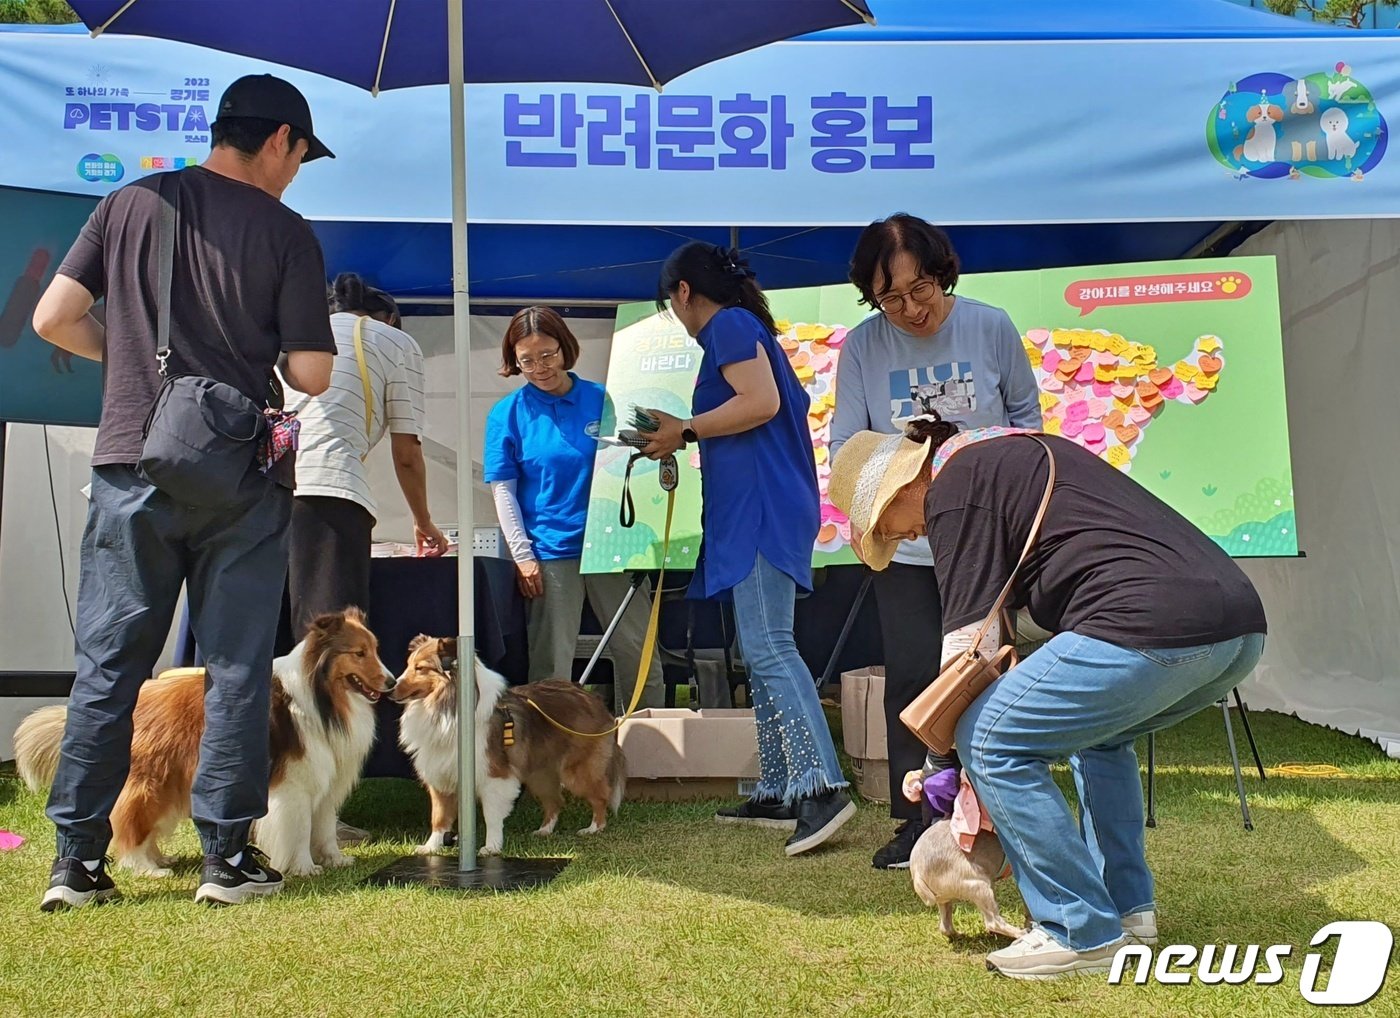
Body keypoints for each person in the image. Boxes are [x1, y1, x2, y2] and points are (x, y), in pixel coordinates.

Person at [30, 74, 338, 909]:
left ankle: (77, 866)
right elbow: (310, 371)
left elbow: (53, 318)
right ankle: (225, 862)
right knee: (236, 665)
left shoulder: (130, 204)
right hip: (238, 471)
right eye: (302, 154)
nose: (297, 170)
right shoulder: (287, 232)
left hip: (133, 457)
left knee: (110, 664)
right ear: (280, 140)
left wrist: (134, 368)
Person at [828, 416, 1267, 979]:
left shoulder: (954, 489)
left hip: (1145, 622)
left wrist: (942, 759)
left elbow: (971, 646)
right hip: (1237, 628)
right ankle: (1126, 913)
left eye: (889, 526)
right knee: (1100, 739)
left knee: (988, 737)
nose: (906, 537)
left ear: (903, 485)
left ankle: (1076, 930)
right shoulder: (1010, 455)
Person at [829, 212, 1043, 871]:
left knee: (984, 676)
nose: (909, 309)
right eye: (889, 298)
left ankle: (995, 816)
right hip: (911, 541)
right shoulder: (864, 347)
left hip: (984, 544)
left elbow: (1028, 424)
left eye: (919, 289)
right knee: (915, 681)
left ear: (942, 273)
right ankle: (916, 820)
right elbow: (847, 446)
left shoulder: (989, 326)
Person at [642, 242, 855, 857]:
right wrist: (681, 430)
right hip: (756, 509)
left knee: (769, 647)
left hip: (759, 508)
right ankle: (781, 786)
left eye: (670, 303)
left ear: (684, 292)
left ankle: (821, 789)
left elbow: (757, 404)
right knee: (761, 648)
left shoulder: (729, 325)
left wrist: (685, 428)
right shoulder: (744, 327)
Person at [484, 306, 664, 714]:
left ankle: (648, 754)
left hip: (615, 547)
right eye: (526, 360)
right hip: (549, 553)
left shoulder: (605, 399)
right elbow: (503, 491)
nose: (539, 367)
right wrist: (523, 555)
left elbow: (638, 464)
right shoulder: (508, 413)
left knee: (639, 657)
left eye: (547, 355)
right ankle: (552, 765)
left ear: (565, 349)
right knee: (551, 669)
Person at [284, 272, 447, 641]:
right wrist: (423, 521)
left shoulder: (295, 335)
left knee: (262, 637)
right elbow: (406, 452)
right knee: (332, 640)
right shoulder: (395, 341)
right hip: (329, 490)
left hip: (260, 491)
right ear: (388, 318)